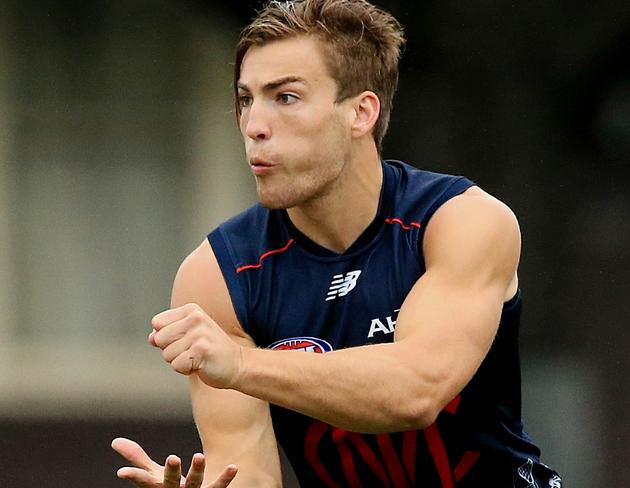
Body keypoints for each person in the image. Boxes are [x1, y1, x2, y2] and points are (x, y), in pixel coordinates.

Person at [112, 0, 562, 486]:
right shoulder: (219, 275)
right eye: (246, 100)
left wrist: (242, 363)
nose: (254, 126)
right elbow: (248, 472)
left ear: (361, 113)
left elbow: (415, 391)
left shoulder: (460, 220)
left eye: (285, 97)